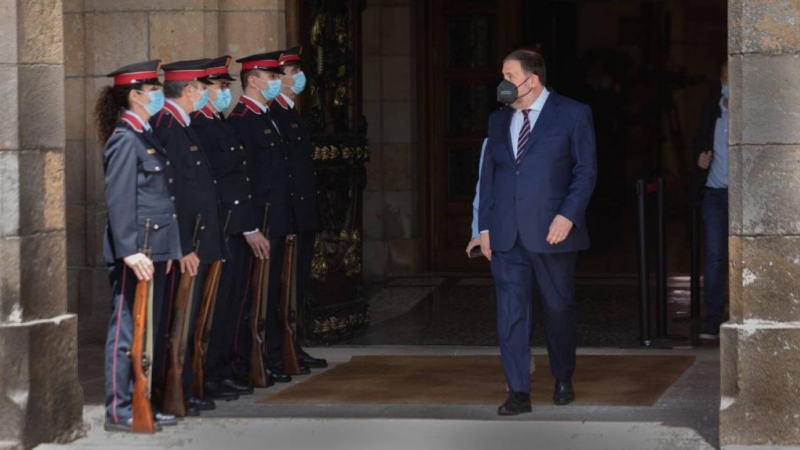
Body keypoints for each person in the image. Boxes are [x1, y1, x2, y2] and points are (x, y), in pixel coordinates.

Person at [478, 50, 596, 415]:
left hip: (553, 232)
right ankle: (518, 391)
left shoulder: (574, 113)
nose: (503, 83)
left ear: (533, 80)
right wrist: (483, 227)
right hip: (506, 234)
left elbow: (586, 171)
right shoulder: (497, 121)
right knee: (510, 313)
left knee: (558, 308)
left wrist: (568, 216)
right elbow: (490, 177)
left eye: (509, 75)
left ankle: (563, 377)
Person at [97, 60, 181, 432]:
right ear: (135, 94)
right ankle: (119, 408)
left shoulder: (145, 135)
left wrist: (167, 249)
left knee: (148, 331)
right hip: (136, 252)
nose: (159, 94)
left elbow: (162, 198)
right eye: (154, 89)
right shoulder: (124, 138)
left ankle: (141, 399)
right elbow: (119, 201)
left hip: (154, 248)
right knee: (127, 330)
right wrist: (129, 250)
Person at [151, 58, 229, 415]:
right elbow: (170, 194)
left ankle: (183, 386)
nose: (205, 92)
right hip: (184, 244)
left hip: (197, 239)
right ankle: (170, 390)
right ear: (188, 90)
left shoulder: (183, 124)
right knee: (174, 322)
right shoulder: (167, 126)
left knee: (190, 320)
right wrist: (181, 246)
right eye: (201, 86)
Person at [189, 56, 270, 397]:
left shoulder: (219, 122)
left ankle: (221, 367)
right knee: (214, 303)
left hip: (235, 224)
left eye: (226, 86)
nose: (225, 91)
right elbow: (215, 182)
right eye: (219, 86)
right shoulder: (197, 125)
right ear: (199, 89)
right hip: (221, 225)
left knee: (232, 301)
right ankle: (206, 372)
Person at [227, 51, 308, 383]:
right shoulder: (242, 120)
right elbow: (244, 178)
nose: (278, 82)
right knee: (253, 296)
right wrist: (252, 224)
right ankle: (252, 358)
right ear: (253, 80)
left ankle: (271, 355)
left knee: (274, 292)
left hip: (276, 219)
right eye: (273, 77)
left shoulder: (268, 118)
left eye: (279, 76)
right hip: (259, 221)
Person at [271, 45, 328, 369]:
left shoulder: (290, 113)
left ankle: (293, 344)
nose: (299, 77)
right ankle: (280, 349)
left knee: (297, 286)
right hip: (287, 217)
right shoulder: (275, 115)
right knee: (283, 288)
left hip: (302, 214)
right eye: (293, 72)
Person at [691, 61, 729, 341]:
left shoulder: (752, 113)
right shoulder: (708, 110)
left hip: (744, 196)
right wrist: (699, 159)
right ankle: (713, 318)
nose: (729, 83)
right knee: (715, 255)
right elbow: (698, 143)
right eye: (726, 77)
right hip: (714, 193)